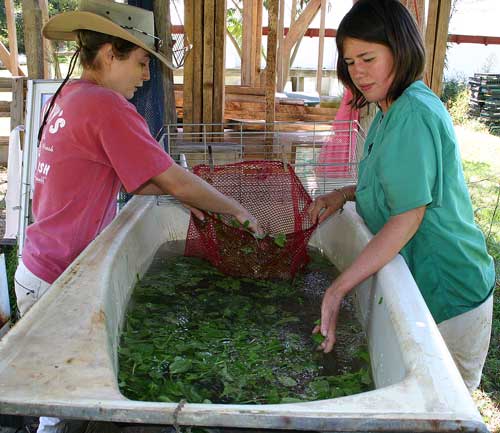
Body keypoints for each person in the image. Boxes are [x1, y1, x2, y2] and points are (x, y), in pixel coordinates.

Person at [13, 1, 259, 431]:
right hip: (61, 280)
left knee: (59, 395)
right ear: (110, 53)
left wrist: (191, 193)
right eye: (142, 63)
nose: (146, 77)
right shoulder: (107, 106)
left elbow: (142, 179)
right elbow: (169, 178)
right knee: (63, 404)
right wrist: (236, 209)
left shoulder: (70, 96)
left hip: (36, 266)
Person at [309, 0, 495, 393]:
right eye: (350, 62)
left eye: (368, 58)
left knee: (445, 402)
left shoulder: (413, 114)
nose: (358, 72)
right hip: (422, 283)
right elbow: (390, 184)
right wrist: (343, 194)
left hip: (447, 288)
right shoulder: (386, 107)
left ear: (400, 49)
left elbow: (408, 215)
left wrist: (337, 288)